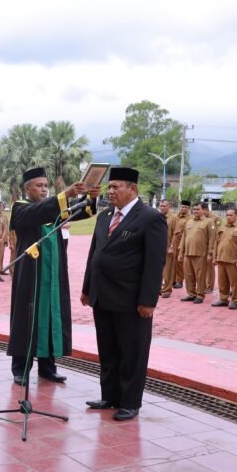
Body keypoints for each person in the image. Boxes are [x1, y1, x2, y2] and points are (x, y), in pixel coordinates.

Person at [82, 167, 167, 421]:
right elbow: (94, 254)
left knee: (132, 352)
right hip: (102, 296)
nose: (110, 192)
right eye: (109, 187)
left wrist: (148, 300)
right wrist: (88, 288)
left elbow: (155, 262)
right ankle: (110, 396)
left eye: (116, 187)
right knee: (108, 350)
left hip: (131, 299)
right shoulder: (105, 215)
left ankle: (130, 402)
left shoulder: (150, 218)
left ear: (133, 189)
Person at [8, 167, 98, 385]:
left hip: (54, 275)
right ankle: (21, 369)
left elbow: (81, 212)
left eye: (46, 186)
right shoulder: (20, 208)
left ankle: (48, 367)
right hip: (31, 276)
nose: (44, 189)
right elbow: (38, 213)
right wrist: (65, 195)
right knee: (28, 318)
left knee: (50, 316)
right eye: (39, 186)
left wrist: (90, 198)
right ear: (27, 188)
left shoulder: (53, 209)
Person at [178, 203, 215, 304]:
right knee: (188, 275)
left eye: (198, 209)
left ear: (203, 210)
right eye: (194, 209)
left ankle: (200, 295)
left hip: (200, 254)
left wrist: (210, 253)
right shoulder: (189, 222)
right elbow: (183, 238)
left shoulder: (209, 222)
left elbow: (212, 239)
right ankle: (191, 294)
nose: (195, 211)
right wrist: (181, 252)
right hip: (187, 253)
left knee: (200, 276)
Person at [212, 208, 237, 309]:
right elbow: (216, 243)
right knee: (222, 281)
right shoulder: (222, 227)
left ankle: (235, 301)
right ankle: (223, 299)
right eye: (227, 215)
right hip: (221, 258)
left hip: (233, 260)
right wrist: (215, 257)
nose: (228, 217)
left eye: (231, 215)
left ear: (236, 216)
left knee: (235, 282)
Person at [158, 200, 177, 298]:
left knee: (167, 270)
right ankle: (158, 288)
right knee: (157, 269)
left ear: (168, 206)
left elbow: (175, 233)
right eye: (161, 206)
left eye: (164, 206)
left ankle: (167, 289)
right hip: (157, 247)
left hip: (167, 247)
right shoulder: (156, 216)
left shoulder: (173, 218)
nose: (162, 208)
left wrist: (172, 247)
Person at [172, 200, 191, 288]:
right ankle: (172, 280)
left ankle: (179, 281)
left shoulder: (190, 219)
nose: (183, 208)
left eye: (185, 207)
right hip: (173, 242)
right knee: (172, 262)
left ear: (188, 208)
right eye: (182, 207)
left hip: (182, 243)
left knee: (179, 262)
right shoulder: (175, 217)